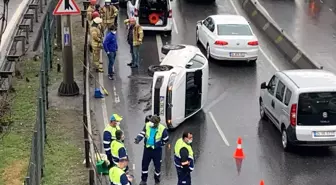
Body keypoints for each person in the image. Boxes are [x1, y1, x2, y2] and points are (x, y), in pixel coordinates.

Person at [134, 115, 169, 185]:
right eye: (151, 121)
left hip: (157, 151)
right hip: (147, 150)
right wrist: (138, 139)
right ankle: (143, 180)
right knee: (144, 165)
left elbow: (166, 139)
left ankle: (157, 180)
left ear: (156, 123)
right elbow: (142, 133)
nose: (150, 123)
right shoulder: (147, 125)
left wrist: (159, 144)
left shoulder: (162, 129)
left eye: (152, 122)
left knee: (157, 166)